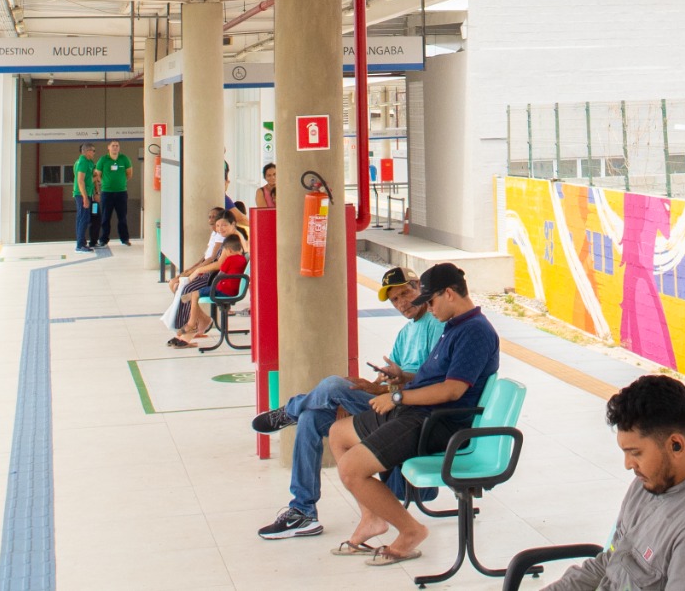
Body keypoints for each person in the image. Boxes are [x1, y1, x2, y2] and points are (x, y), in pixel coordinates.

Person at [324, 262, 498, 565]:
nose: (428, 308)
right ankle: (372, 518)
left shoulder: (474, 332)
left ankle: (411, 532)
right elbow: (433, 377)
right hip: (416, 411)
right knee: (338, 433)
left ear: (449, 294)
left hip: (436, 423)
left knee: (351, 469)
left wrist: (397, 396)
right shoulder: (454, 326)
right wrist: (402, 379)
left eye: (431, 301)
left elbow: (452, 391)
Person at [251, 268, 439, 540]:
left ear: (418, 286)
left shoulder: (435, 324)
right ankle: (303, 511)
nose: (401, 303)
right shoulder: (405, 333)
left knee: (332, 385)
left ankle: (291, 410)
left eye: (405, 293)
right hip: (386, 405)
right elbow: (387, 383)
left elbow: (431, 382)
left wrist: (386, 386)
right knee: (311, 418)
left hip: (408, 412)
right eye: (395, 299)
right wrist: (369, 388)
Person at [542, 375, 685, 591]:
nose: (628, 464)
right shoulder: (650, 483)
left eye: (636, 453)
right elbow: (608, 563)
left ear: (676, 445)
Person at [175, 234, 247, 345]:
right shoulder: (243, 260)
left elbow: (220, 275)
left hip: (222, 290)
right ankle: (190, 307)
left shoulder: (230, 259)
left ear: (228, 250)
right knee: (190, 296)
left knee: (194, 294)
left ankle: (191, 323)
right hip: (232, 291)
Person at [70, 142, 102, 252]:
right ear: (87, 151)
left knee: (91, 216)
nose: (94, 153)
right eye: (93, 151)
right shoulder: (82, 162)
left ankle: (88, 242)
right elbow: (80, 181)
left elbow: (93, 178)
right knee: (83, 218)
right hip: (81, 194)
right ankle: (80, 245)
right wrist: (84, 197)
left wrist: (96, 192)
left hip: (89, 194)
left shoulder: (90, 162)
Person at [100, 140, 133, 246]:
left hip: (121, 192)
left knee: (122, 217)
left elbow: (129, 174)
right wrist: (105, 183)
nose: (115, 147)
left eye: (117, 146)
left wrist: (121, 182)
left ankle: (124, 239)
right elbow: (98, 174)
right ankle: (103, 239)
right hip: (107, 192)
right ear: (108, 147)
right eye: (113, 145)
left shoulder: (124, 159)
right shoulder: (103, 159)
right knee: (105, 217)